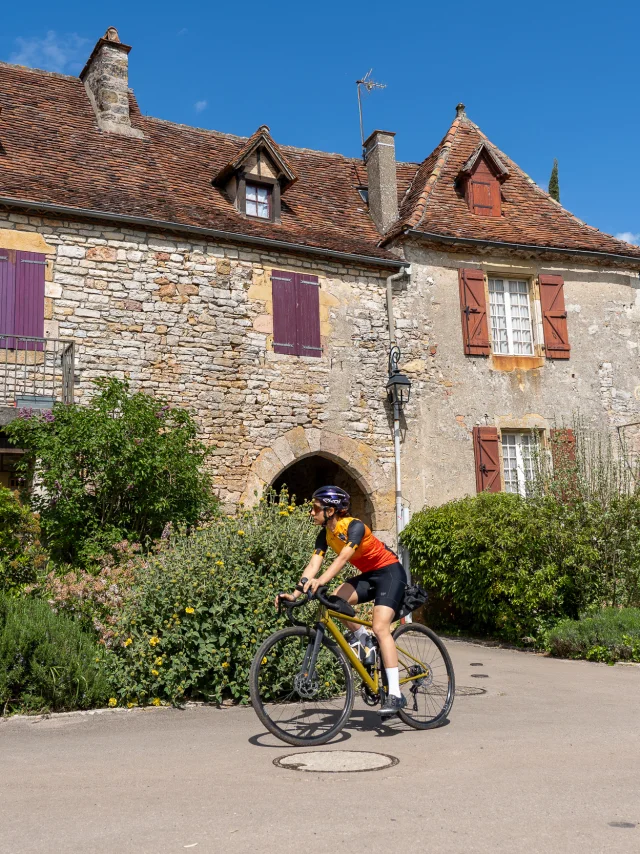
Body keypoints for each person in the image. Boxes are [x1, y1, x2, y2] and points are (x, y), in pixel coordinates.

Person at [278, 485, 408, 717]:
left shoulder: (354, 526)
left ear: (331, 510)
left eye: (315, 508)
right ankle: (362, 638)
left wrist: (320, 581)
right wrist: (295, 593)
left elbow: (344, 557)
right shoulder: (324, 534)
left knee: (380, 627)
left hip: (390, 573)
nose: (311, 512)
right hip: (369, 576)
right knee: (336, 599)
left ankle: (396, 694)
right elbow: (313, 564)